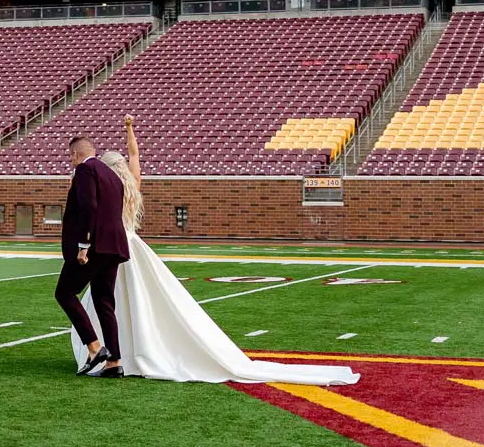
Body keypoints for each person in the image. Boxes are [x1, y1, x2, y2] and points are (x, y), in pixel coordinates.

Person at [69, 117, 359, 386]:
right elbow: (135, 156)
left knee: (110, 302)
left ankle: (114, 353)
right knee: (134, 304)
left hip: (109, 248)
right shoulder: (129, 184)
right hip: (130, 246)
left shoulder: (102, 185)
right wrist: (129, 129)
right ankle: (125, 354)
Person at [56, 136, 130, 377]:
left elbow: (89, 207)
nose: (71, 161)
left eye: (70, 156)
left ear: (76, 154)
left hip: (94, 246)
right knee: (104, 302)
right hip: (114, 246)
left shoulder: (85, 170)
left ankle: (94, 347)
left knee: (64, 293)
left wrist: (83, 245)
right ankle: (114, 362)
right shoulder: (113, 176)